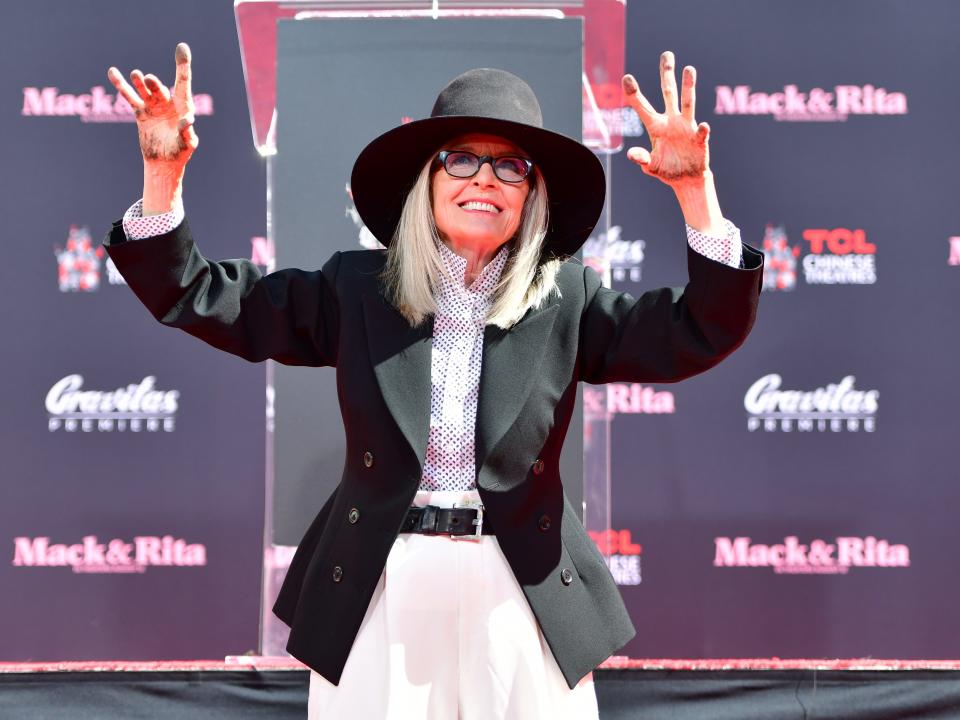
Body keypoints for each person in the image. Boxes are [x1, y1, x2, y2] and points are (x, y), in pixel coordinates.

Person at [104, 43, 763, 719]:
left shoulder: (570, 298)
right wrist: (163, 177)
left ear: (532, 195)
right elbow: (204, 296)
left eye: (511, 167)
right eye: (462, 160)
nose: (486, 179)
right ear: (427, 181)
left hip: (522, 585)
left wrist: (694, 192)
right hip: (380, 583)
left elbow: (697, 332)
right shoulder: (357, 289)